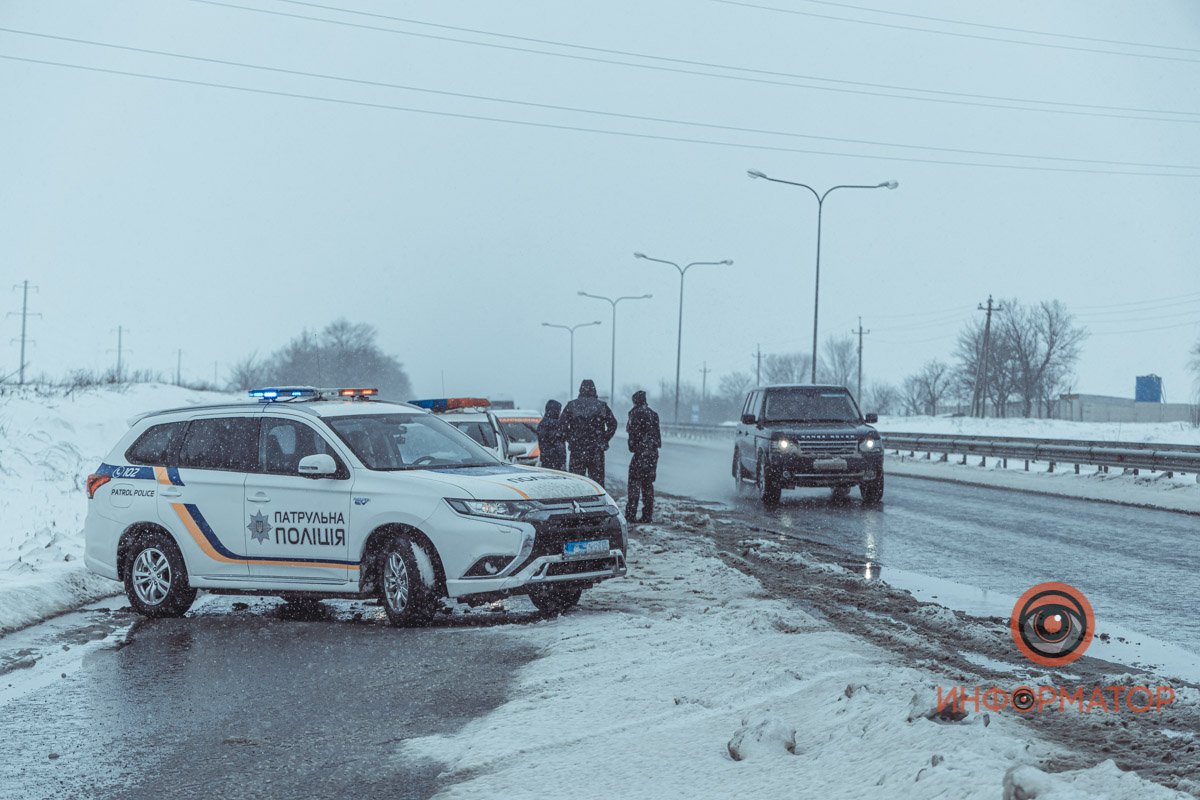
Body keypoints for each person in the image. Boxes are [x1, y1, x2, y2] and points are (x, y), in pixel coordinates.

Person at [560, 379, 618, 485]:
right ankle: (597, 500)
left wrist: (571, 438)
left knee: (576, 482)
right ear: (594, 390)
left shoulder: (571, 405)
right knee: (597, 482)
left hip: (577, 449)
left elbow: (562, 425)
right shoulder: (601, 406)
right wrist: (603, 439)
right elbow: (613, 424)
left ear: (580, 389)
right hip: (596, 450)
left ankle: (577, 500)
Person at [625, 390, 661, 523]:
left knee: (634, 482)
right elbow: (657, 435)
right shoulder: (653, 414)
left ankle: (631, 514)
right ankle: (647, 515)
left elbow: (632, 436)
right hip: (653, 453)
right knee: (648, 484)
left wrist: (633, 447)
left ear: (635, 401)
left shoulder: (634, 413)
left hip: (640, 453)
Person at [535, 399, 567, 471]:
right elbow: (560, 443)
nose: (560, 412)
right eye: (559, 410)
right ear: (555, 411)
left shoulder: (542, 423)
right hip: (556, 462)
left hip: (546, 461)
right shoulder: (557, 424)